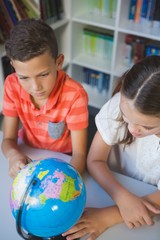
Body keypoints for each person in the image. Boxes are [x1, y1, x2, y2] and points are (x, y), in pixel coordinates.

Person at [62, 55, 160, 240]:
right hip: (109, 185)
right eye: (126, 117)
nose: (132, 129)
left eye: (146, 127)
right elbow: (95, 159)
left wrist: (110, 215)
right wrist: (121, 197)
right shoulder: (120, 104)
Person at [1, 18, 88, 179]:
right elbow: (7, 139)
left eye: (43, 74)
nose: (35, 87)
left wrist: (65, 181)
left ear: (59, 62)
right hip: (28, 152)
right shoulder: (11, 85)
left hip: (63, 159)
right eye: (24, 77)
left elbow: (80, 155)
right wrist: (13, 156)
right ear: (13, 66)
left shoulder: (75, 94)